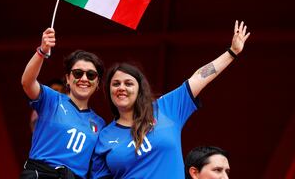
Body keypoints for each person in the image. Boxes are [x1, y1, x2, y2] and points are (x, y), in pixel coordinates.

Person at [90, 21, 250, 179]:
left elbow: (199, 77)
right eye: (116, 84)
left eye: (129, 83)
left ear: (139, 90)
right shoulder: (104, 137)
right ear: (109, 91)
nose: (121, 88)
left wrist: (231, 52)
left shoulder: (165, 109)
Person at [20, 28, 106, 179]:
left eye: (91, 75)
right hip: (41, 175)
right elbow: (27, 83)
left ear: (97, 82)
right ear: (67, 78)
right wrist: (42, 51)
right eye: (78, 73)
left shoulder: (100, 124)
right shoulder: (52, 99)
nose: (84, 78)